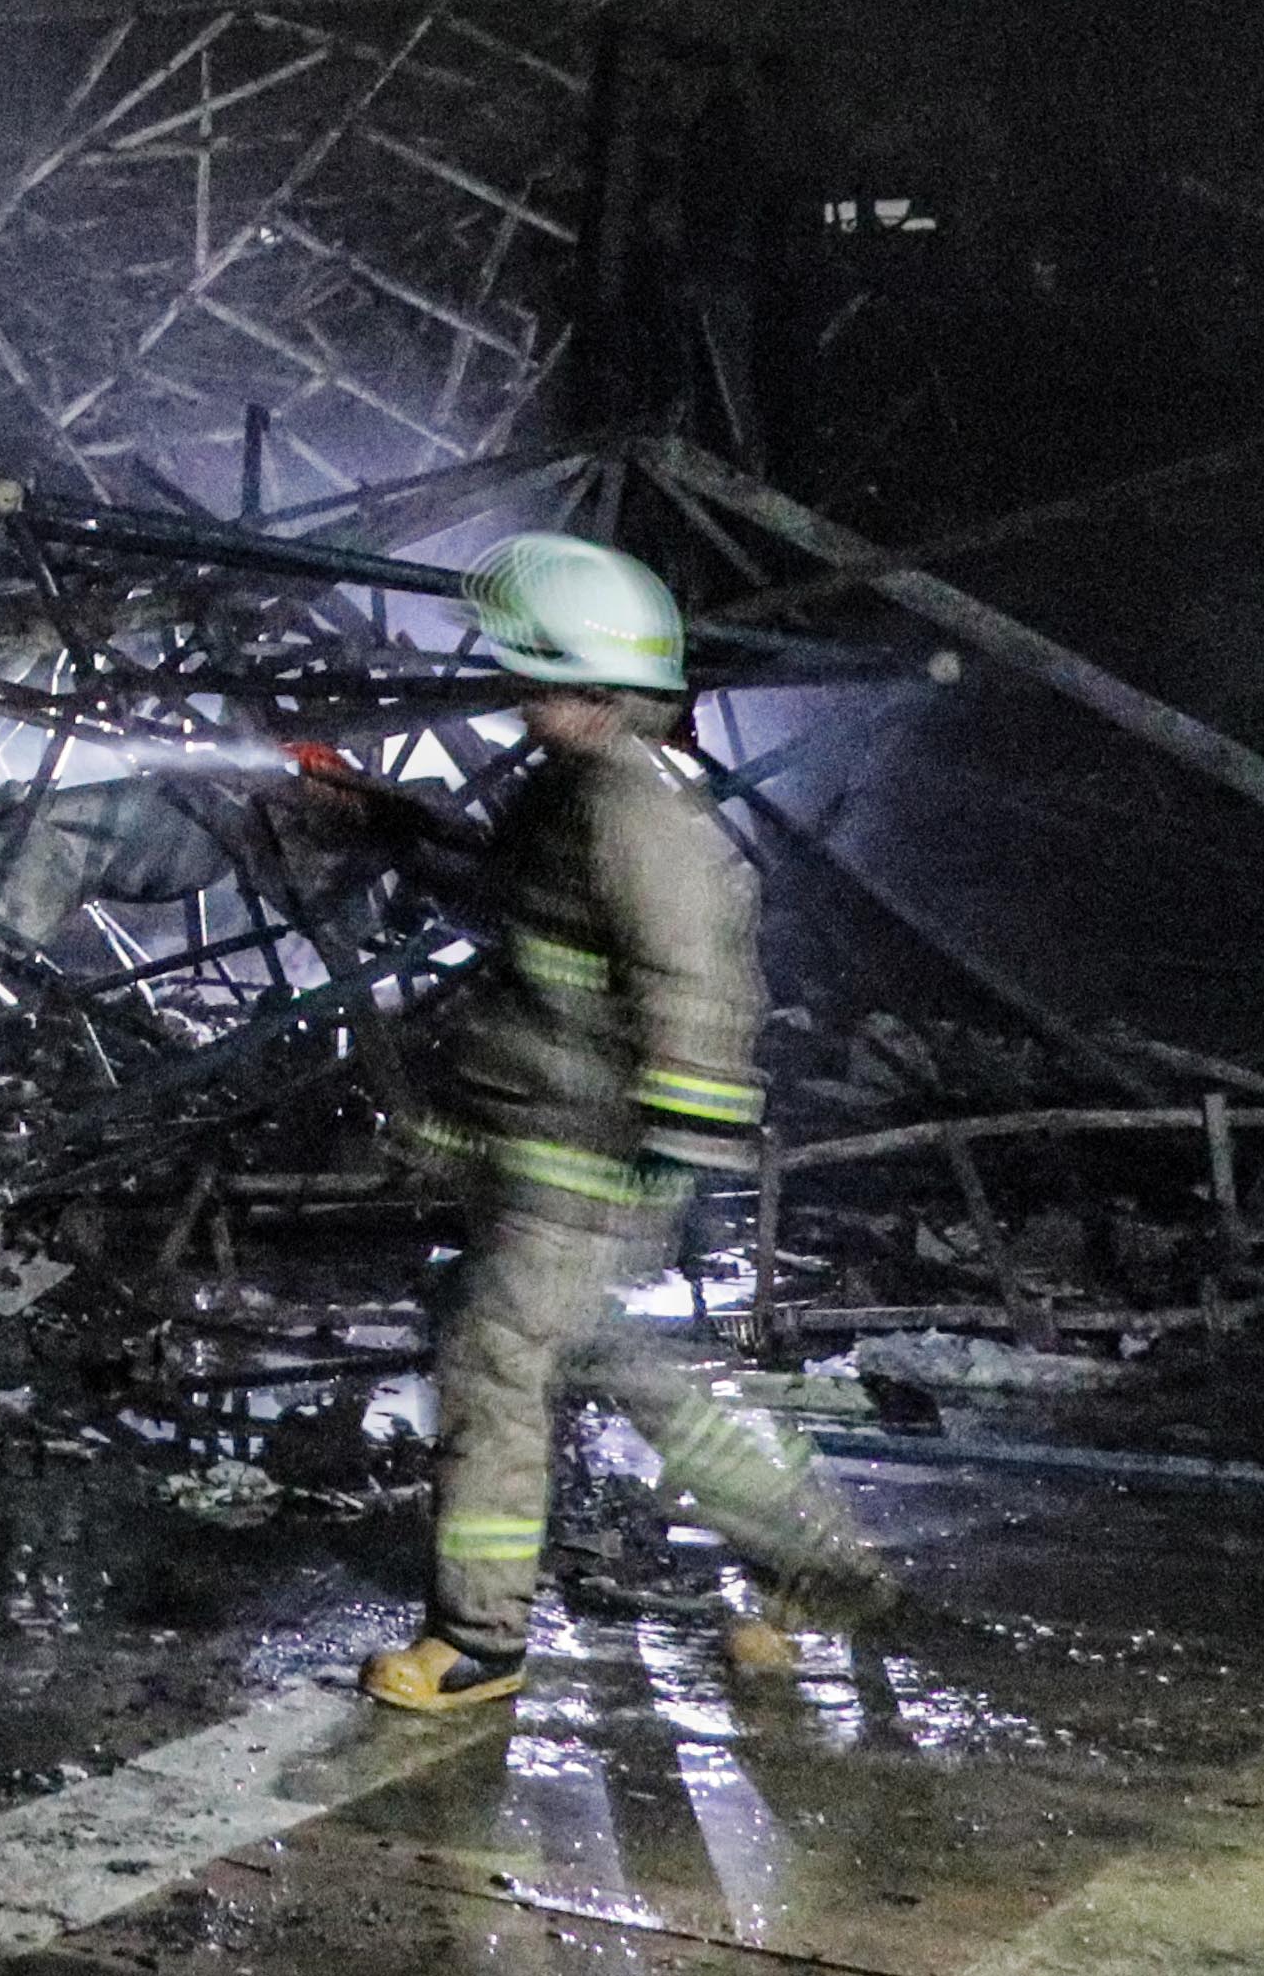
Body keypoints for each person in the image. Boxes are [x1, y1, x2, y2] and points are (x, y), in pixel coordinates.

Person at [360, 530, 890, 1713]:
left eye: (539, 678)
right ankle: (818, 1563)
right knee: (634, 1371)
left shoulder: (643, 815)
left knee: (493, 1363)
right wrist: (387, 823)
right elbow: (521, 912)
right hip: (548, 1149)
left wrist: (674, 1149)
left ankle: (479, 1640)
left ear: (599, 690)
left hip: (584, 1163)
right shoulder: (574, 793)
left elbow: (698, 983)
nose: (520, 696)